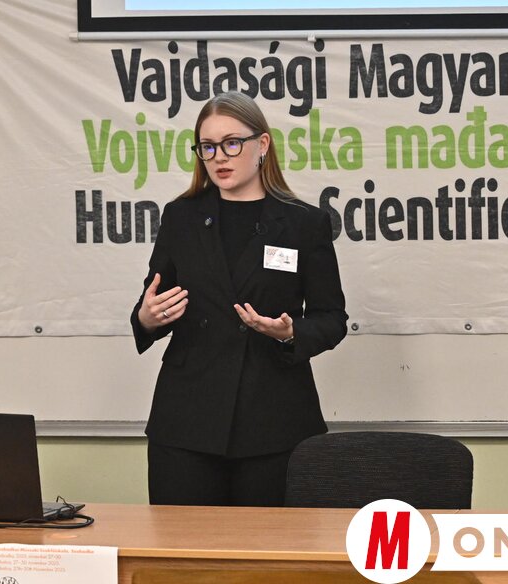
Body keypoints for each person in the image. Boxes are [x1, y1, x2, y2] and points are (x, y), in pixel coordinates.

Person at [131, 91, 347, 506]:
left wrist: (289, 333)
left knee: (270, 546)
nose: (219, 157)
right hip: (186, 419)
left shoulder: (304, 223)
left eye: (232, 143)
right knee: (182, 545)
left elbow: (331, 318)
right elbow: (153, 301)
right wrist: (147, 318)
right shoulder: (181, 217)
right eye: (208, 146)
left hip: (274, 419)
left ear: (262, 144)